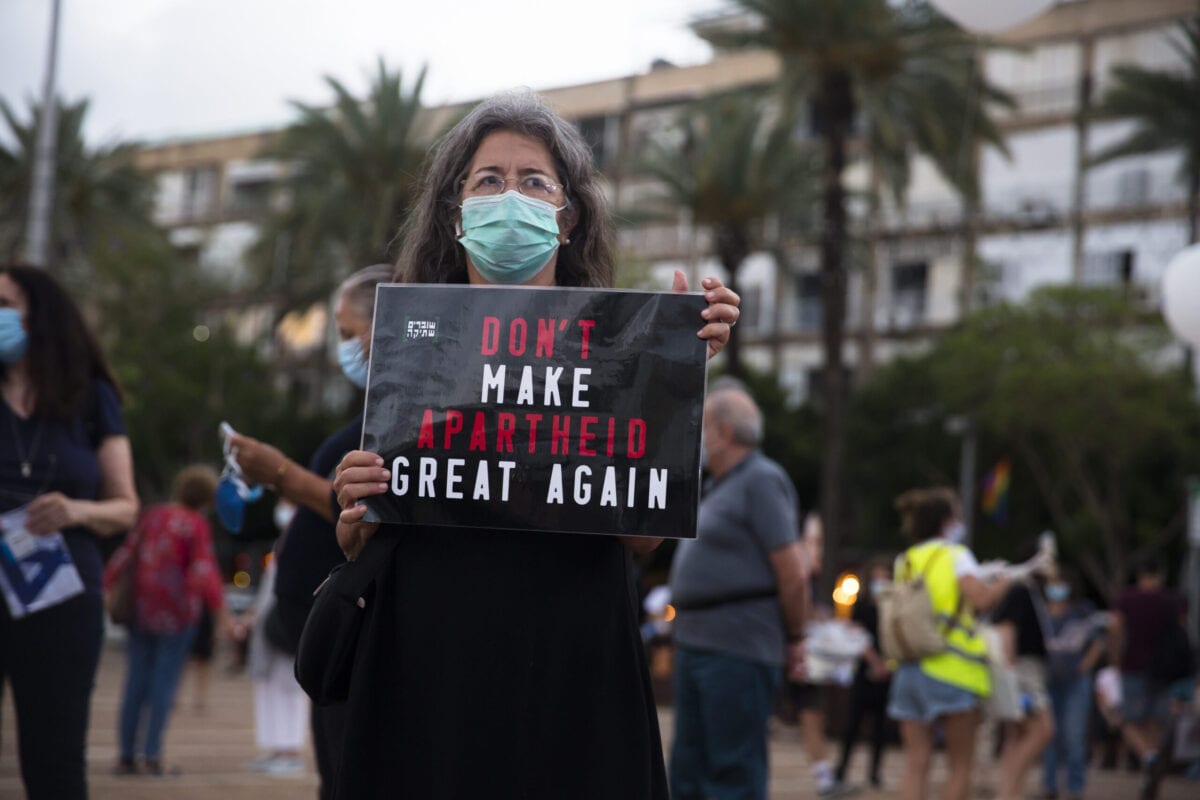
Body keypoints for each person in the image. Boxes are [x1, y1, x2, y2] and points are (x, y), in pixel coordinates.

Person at [330, 90, 740, 799]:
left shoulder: (620, 356)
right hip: (431, 671)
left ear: (567, 216)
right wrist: (354, 511)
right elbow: (366, 539)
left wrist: (670, 381)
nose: (509, 196)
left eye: (533, 181)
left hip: (572, 674)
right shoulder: (410, 356)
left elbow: (642, 541)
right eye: (487, 180)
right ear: (455, 214)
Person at [224, 262, 392, 798]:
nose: (343, 348)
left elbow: (365, 510)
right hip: (327, 636)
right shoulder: (368, 414)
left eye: (348, 333)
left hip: (360, 637)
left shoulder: (398, 421)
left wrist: (280, 472)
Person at [0, 263, 140, 798]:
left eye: (6, 304)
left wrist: (76, 511)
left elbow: (126, 508)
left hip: (60, 596)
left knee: (54, 760)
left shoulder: (89, 398)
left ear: (42, 314)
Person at [667, 382, 809, 800]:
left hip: (737, 648)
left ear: (725, 432)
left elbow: (793, 571)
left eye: (703, 427)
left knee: (732, 771)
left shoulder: (762, 480)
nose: (699, 438)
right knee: (688, 768)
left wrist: (796, 638)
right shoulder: (721, 486)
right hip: (699, 643)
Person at [886, 488, 1012, 800]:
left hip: (909, 668)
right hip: (953, 670)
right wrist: (1003, 583)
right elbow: (980, 600)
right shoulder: (957, 556)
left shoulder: (906, 560)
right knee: (959, 766)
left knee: (916, 763)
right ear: (947, 521)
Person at [103, 464, 228, 776]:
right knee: (164, 684)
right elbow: (204, 571)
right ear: (206, 497)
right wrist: (222, 614)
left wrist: (106, 586)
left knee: (135, 682)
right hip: (178, 614)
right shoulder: (196, 524)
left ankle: (126, 755)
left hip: (140, 610)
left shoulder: (153, 515)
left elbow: (126, 553)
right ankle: (152, 754)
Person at [790, 513, 855, 797]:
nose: (819, 548)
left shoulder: (808, 574)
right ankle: (825, 779)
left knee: (812, 715)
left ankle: (825, 777)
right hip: (796, 655)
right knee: (812, 715)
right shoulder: (800, 569)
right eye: (814, 541)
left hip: (797, 654)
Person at [1108, 558, 1186, 790]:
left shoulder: (1127, 598)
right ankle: (1153, 763)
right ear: (1160, 574)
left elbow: (1115, 628)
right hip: (1164, 669)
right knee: (1154, 722)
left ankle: (1149, 758)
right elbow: (1182, 630)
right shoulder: (1173, 600)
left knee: (1128, 720)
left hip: (1132, 666)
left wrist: (1115, 659)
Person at [1040, 570, 1105, 800]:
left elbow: (1098, 641)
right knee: (1048, 735)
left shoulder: (1082, 611)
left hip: (1076, 681)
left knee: (1074, 735)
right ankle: (1049, 786)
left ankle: (1075, 788)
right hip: (1048, 681)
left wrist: (1085, 665)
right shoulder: (1040, 611)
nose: (1056, 589)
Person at [991, 569, 1055, 800]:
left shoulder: (1029, 592)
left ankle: (1010, 791)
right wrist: (1010, 674)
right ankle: (1008, 792)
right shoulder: (1022, 590)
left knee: (1016, 736)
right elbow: (1007, 629)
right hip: (1024, 670)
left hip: (1022, 669)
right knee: (1042, 730)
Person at [245, 547, 309, 776]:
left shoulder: (301, 547)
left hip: (287, 631)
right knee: (270, 691)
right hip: (272, 632)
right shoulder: (283, 548)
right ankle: (277, 748)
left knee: (290, 693)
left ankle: (290, 751)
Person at [836, 559, 894, 791]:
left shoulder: (892, 608)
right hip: (865, 674)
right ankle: (841, 770)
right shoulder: (861, 607)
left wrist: (888, 665)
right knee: (853, 725)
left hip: (885, 675)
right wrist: (875, 662)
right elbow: (856, 637)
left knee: (881, 729)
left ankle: (874, 773)